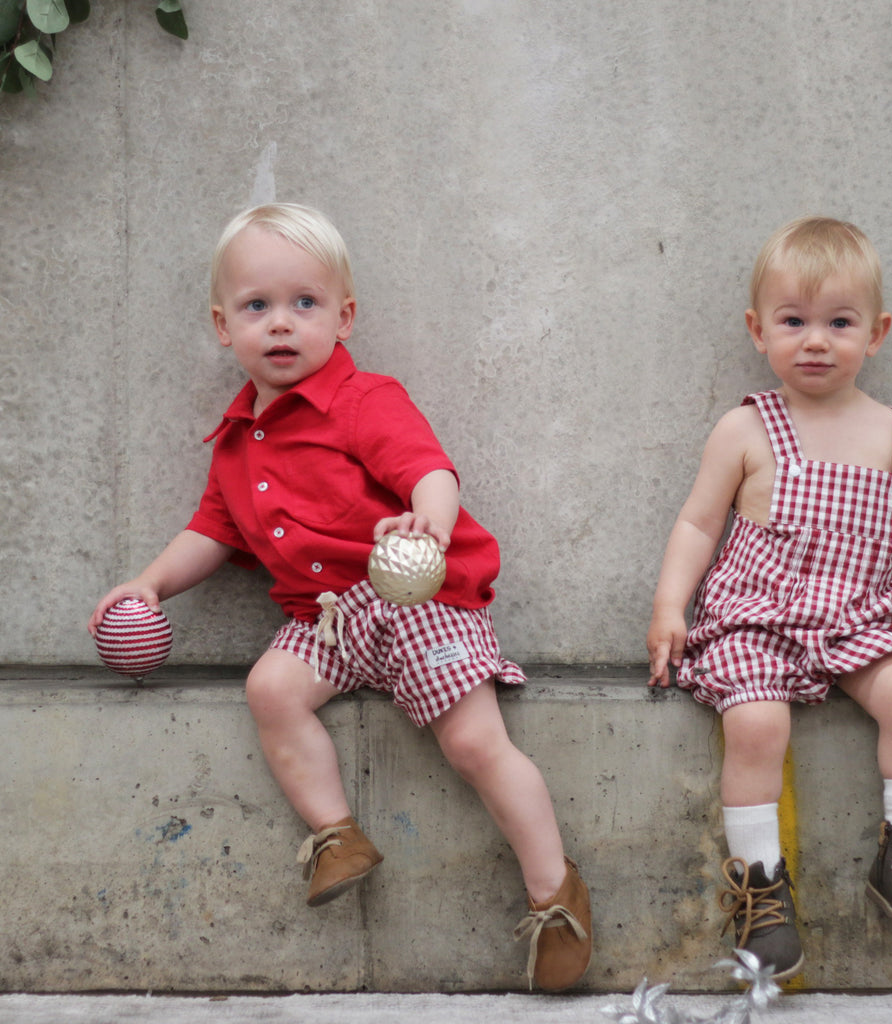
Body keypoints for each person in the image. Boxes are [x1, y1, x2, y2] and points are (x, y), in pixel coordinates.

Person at [88, 203, 590, 992]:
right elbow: (213, 532)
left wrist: (429, 519)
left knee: (471, 743)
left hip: (420, 597)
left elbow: (430, 470)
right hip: (326, 618)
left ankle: (554, 890)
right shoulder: (235, 441)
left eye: (305, 304)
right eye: (257, 307)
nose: (281, 325)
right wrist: (150, 582)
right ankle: (336, 834)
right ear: (224, 326)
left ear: (344, 316)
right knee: (271, 688)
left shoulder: (364, 401)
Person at [646, 216, 892, 979]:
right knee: (756, 721)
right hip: (757, 617)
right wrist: (671, 607)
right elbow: (698, 524)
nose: (815, 340)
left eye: (839, 322)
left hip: (857, 617)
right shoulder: (748, 426)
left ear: (877, 333)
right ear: (758, 330)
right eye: (793, 321)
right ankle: (761, 889)